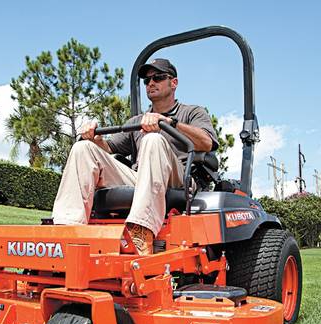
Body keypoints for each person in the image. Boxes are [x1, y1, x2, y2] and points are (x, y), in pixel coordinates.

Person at [52, 58, 219, 255]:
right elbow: (108, 148)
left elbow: (206, 142)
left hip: (178, 180)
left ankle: (141, 231)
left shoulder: (192, 112)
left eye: (158, 77)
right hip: (142, 178)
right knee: (83, 148)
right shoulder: (137, 121)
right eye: (146, 80)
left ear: (173, 83)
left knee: (153, 140)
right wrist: (94, 137)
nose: (151, 83)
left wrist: (168, 122)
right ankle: (66, 230)